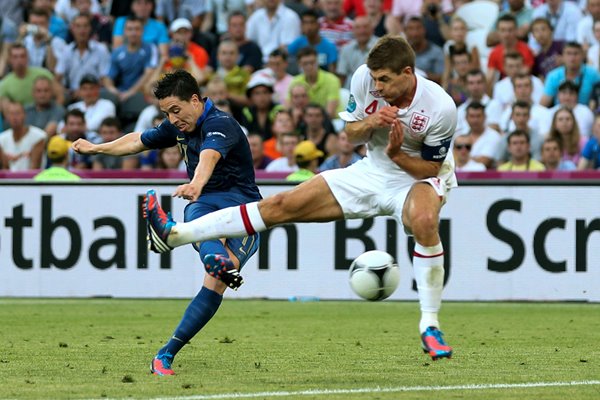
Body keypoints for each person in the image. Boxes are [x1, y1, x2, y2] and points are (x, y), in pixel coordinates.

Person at [143, 35, 455, 362]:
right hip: (371, 171)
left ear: (408, 72)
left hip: (414, 176)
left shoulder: (440, 107)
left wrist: (396, 153)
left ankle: (430, 326)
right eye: (374, 78)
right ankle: (175, 234)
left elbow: (430, 167)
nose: (377, 85)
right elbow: (350, 134)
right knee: (279, 206)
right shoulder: (364, 78)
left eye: (385, 80)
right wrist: (371, 123)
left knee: (423, 220)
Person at [72, 69, 261, 376]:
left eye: (176, 110)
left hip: (242, 210)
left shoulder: (220, 123)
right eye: (166, 112)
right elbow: (137, 141)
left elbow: (209, 157)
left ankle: (183, 241)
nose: (172, 118)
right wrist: (97, 148)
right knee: (203, 233)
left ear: (196, 100)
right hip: (206, 205)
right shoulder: (178, 127)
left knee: (213, 262)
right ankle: (165, 355)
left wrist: (197, 184)